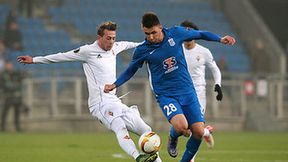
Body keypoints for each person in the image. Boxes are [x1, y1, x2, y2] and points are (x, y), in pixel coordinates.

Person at [17, 21, 160, 162]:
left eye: (113, 38)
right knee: (120, 127)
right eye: (108, 38)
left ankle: (157, 160)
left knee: (146, 129)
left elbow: (135, 44)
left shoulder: (115, 47)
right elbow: (61, 56)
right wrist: (34, 60)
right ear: (99, 37)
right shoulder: (87, 51)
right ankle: (138, 157)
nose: (111, 41)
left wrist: (153, 42)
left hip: (115, 101)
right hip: (100, 104)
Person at [104, 12, 235, 162]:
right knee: (181, 127)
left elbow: (200, 34)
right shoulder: (142, 50)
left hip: (187, 91)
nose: (151, 37)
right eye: (147, 34)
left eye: (154, 32)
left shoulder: (176, 33)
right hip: (166, 95)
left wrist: (220, 39)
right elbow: (130, 70)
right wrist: (115, 84)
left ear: (160, 27)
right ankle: (173, 137)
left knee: (198, 132)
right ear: (143, 30)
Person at [168, 20, 223, 162]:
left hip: (198, 94)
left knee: (194, 129)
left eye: (189, 32)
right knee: (183, 127)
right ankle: (178, 136)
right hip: (180, 91)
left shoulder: (204, 51)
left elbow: (215, 69)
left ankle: (190, 158)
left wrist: (218, 84)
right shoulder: (176, 49)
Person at [0, 61, 26, 132]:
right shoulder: (3, 74)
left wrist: (22, 76)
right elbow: (7, 86)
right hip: (8, 97)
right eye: (8, 65)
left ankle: (18, 128)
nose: (10, 66)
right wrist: (15, 85)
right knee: (5, 113)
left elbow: (21, 78)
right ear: (6, 66)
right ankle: (3, 128)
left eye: (11, 65)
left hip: (16, 97)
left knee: (17, 113)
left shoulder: (14, 73)